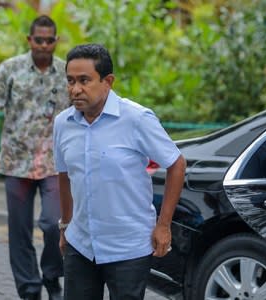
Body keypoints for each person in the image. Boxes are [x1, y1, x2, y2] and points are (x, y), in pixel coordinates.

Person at [53, 44, 186, 300]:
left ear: (108, 82)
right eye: (70, 81)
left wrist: (163, 225)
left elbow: (176, 164)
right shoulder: (63, 124)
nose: (75, 89)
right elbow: (64, 174)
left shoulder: (136, 119)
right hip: (80, 244)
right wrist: (65, 226)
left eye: (84, 80)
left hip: (129, 248)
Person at [0, 15, 68, 300]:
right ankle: (29, 289)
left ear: (56, 41)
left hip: (55, 163)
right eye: (38, 39)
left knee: (54, 223)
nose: (44, 45)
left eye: (49, 40)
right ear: (29, 40)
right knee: (19, 232)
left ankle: (52, 276)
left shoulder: (66, 72)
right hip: (16, 162)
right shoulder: (11, 69)